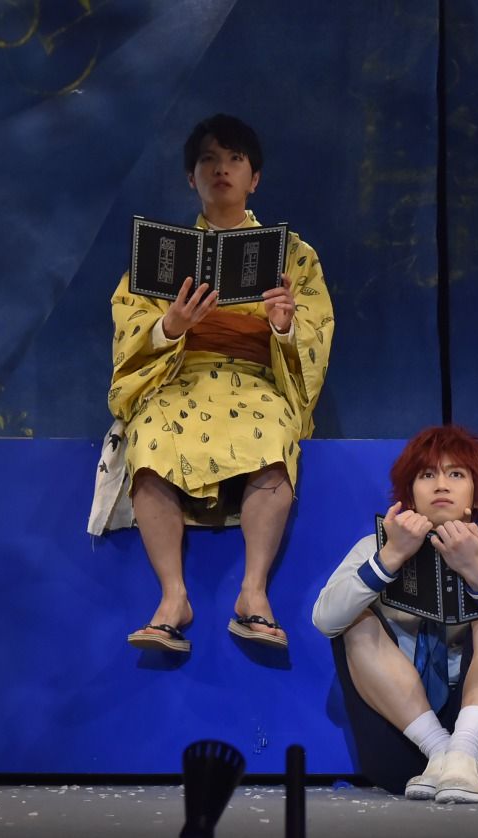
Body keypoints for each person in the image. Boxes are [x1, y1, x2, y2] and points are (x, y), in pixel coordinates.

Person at [106, 114, 334, 652]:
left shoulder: (293, 255)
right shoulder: (159, 253)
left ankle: (253, 592)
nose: (221, 169)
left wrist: (283, 326)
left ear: (255, 178)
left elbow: (317, 329)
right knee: (148, 436)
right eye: (208, 159)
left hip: (255, 379)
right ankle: (172, 597)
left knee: (272, 435)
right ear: (191, 177)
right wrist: (170, 326)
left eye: (234, 159)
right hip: (178, 378)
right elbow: (130, 325)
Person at [313, 425, 478, 801]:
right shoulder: (375, 546)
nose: (441, 485)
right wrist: (391, 557)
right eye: (426, 475)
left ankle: (461, 752)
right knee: (354, 618)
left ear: (476, 492)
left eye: (456, 474)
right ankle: (440, 750)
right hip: (400, 743)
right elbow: (326, 620)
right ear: (410, 494)